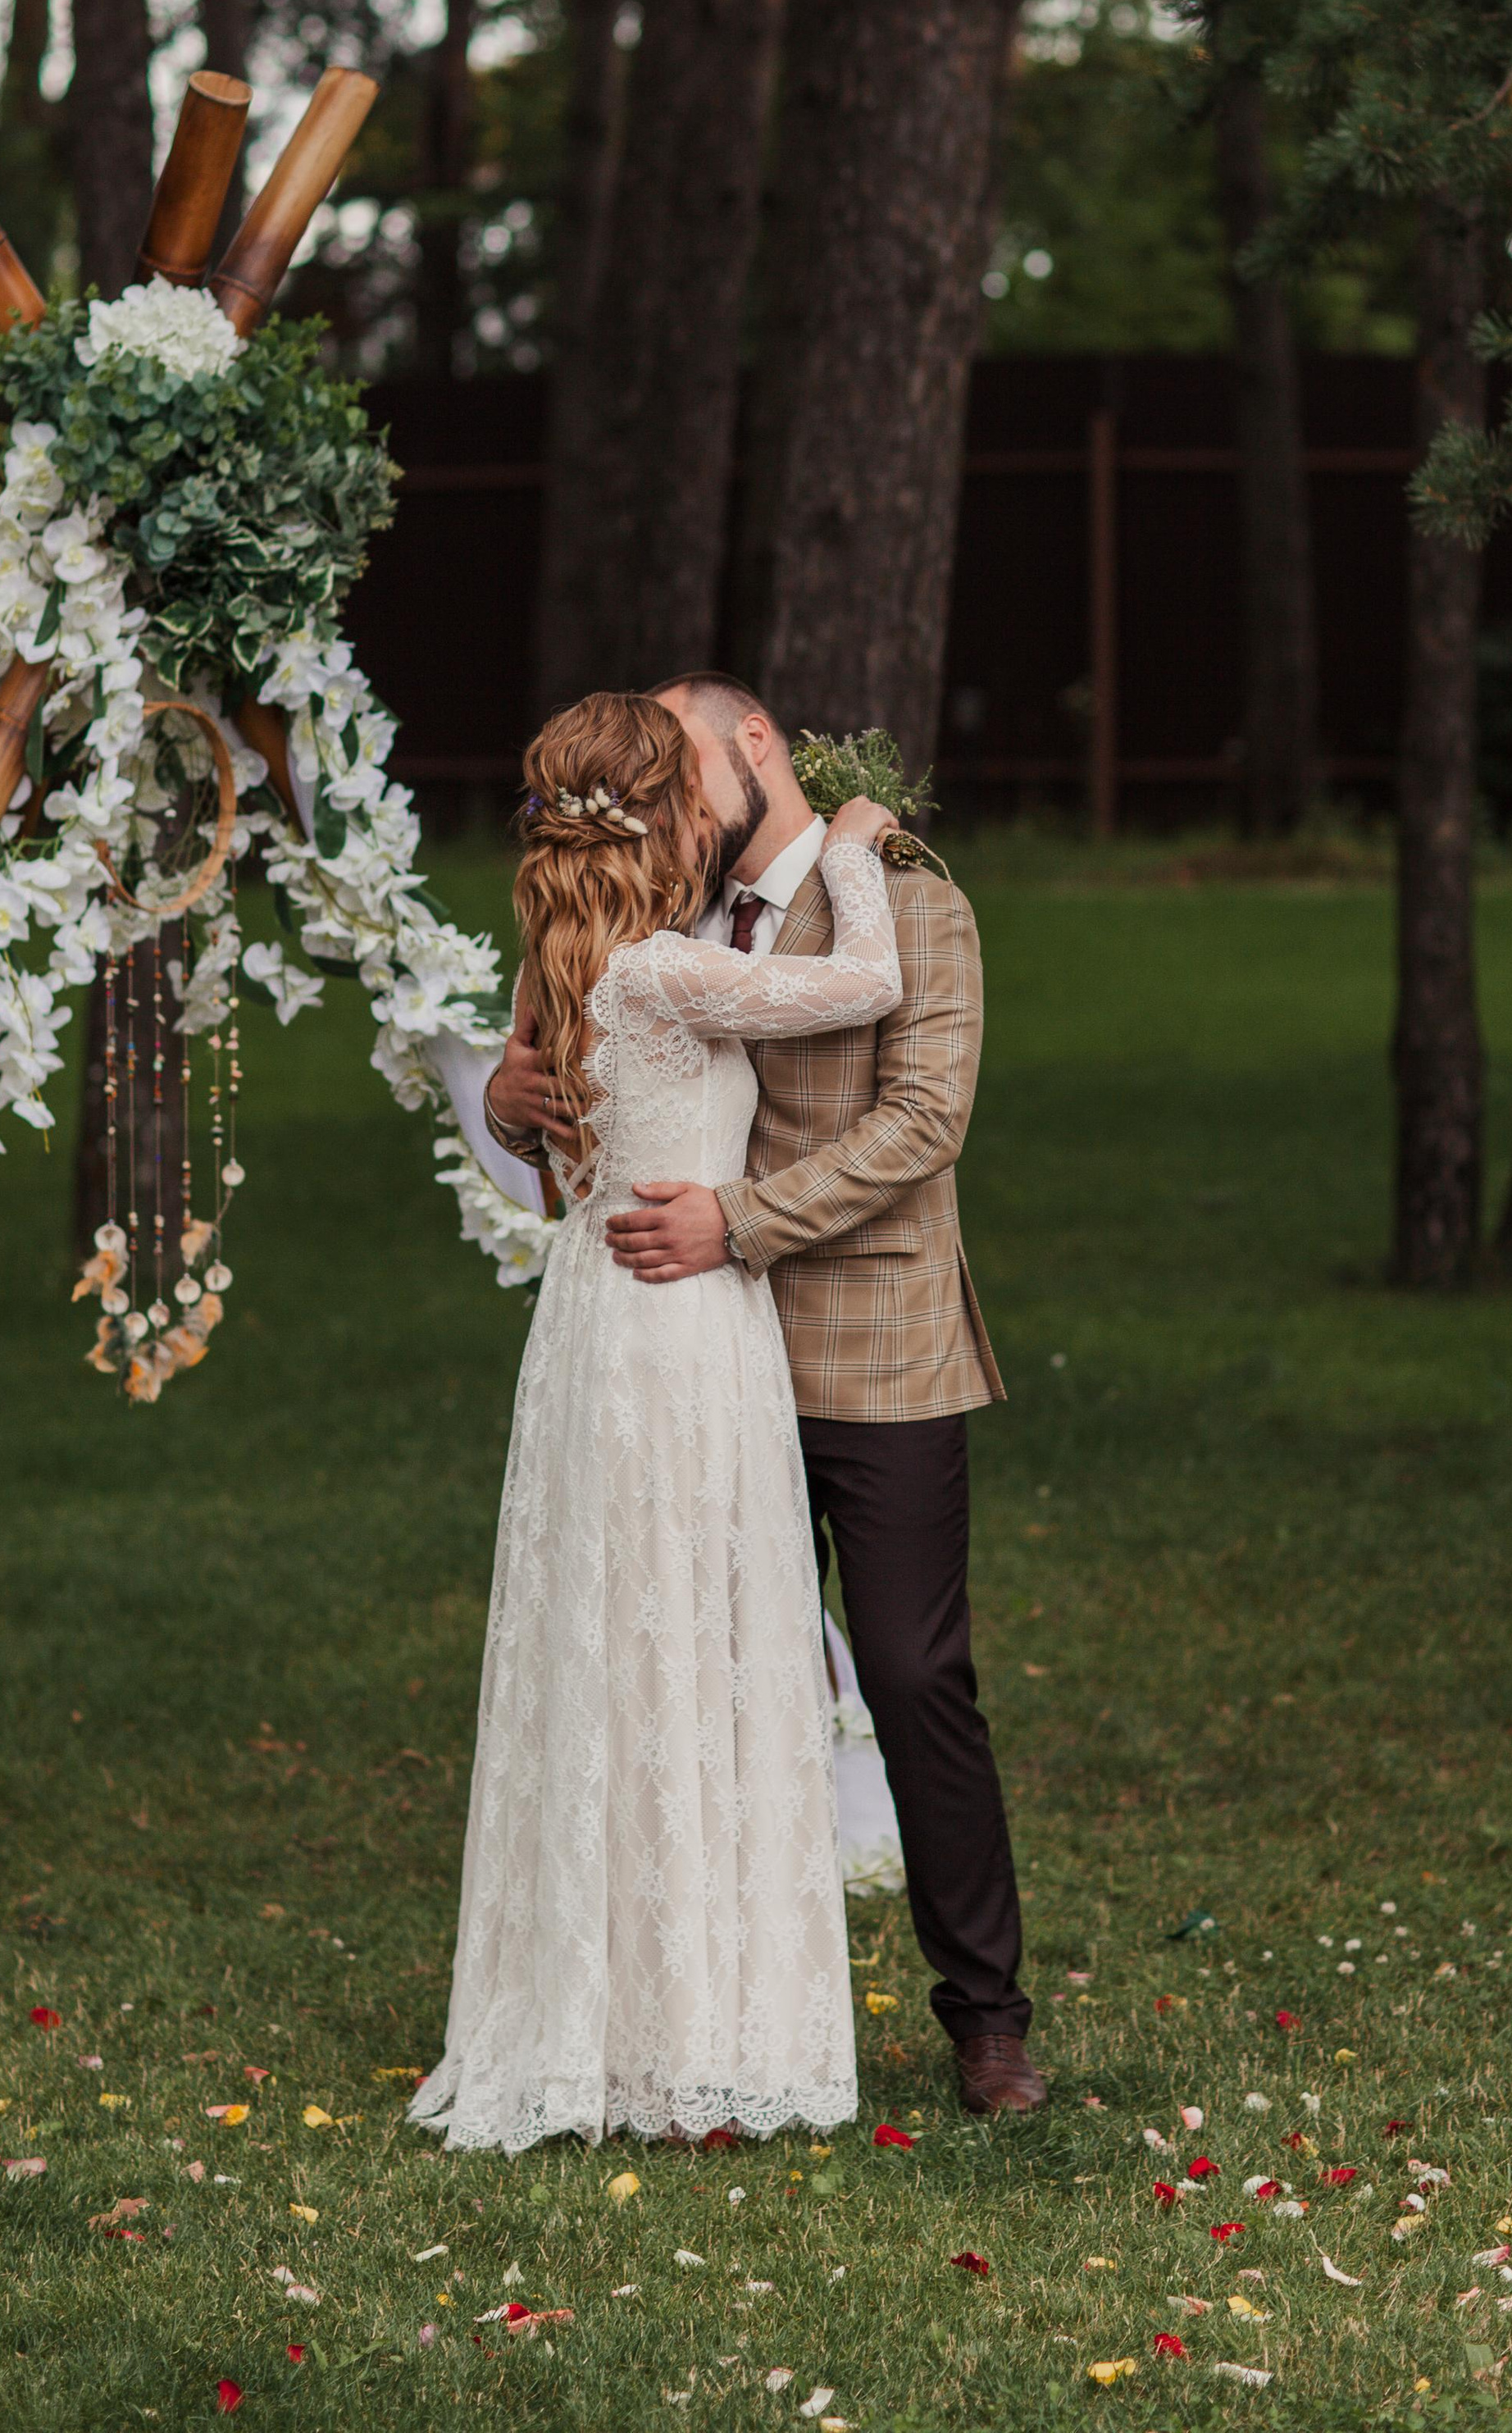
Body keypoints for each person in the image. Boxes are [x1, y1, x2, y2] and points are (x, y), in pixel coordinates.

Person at [487, 673, 1045, 2120]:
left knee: (917, 1677)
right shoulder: (653, 915)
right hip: (693, 1363)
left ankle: (987, 2016)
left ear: (752, 751)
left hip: (868, 1343)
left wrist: (736, 1222)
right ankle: (713, 2007)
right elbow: (585, 1065)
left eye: (679, 764)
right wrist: (510, 1093)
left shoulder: (908, 896)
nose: (664, 796)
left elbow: (923, 1120)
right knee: (709, 1673)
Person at [409, 692, 903, 2153]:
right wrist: (860, 841)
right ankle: (693, 2033)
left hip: (587, 1323)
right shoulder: (668, 974)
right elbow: (864, 980)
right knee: (697, 1639)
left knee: (611, 1646)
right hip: (683, 1329)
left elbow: (551, 1160)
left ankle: (608, 2010)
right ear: (673, 820)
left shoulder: (561, 969)